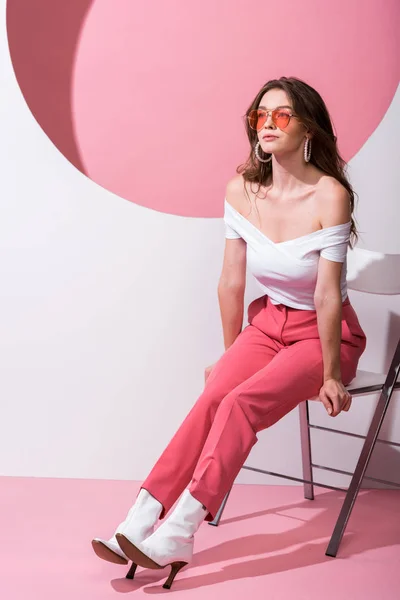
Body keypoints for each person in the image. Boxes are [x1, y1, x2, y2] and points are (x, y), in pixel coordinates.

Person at [91, 75, 367, 589]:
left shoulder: (330, 195)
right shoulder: (241, 189)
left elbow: (329, 297)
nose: (268, 125)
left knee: (240, 402)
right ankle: (141, 516)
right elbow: (231, 281)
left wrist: (332, 374)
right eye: (259, 116)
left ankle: (181, 529)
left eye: (281, 116)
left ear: (307, 127)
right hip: (268, 324)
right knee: (217, 392)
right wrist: (233, 353)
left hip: (325, 337)